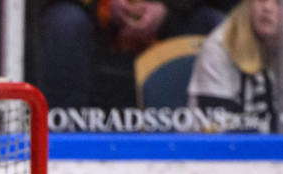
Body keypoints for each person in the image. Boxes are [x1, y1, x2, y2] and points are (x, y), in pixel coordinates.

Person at [39, 0, 225, 110]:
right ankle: (63, 138)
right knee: (65, 23)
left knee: (219, 26)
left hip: (175, 18)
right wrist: (103, 6)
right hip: (96, 26)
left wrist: (167, 8)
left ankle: (226, 139)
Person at [188, 0, 283, 131]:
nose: (267, 7)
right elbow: (214, 130)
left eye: (279, 2)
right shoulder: (222, 45)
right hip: (232, 156)